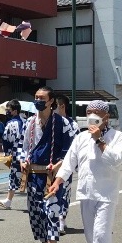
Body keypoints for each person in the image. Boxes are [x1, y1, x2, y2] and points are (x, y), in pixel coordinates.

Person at [48, 100, 122, 243]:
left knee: (101, 233)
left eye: (96, 113)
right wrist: (58, 181)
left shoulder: (118, 137)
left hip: (106, 194)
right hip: (86, 192)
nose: (91, 115)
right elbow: (69, 162)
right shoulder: (81, 137)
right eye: (88, 112)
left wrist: (100, 140)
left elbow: (116, 161)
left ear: (106, 117)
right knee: (91, 235)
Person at [20, 87, 71, 243]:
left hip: (52, 176)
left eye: (42, 98)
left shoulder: (62, 123)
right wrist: (23, 160)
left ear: (51, 102)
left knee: (52, 211)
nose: (38, 100)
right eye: (36, 97)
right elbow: (24, 146)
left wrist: (59, 163)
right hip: (34, 174)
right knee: (36, 213)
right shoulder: (30, 123)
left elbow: (69, 151)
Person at [54, 95, 79, 234]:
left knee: (64, 192)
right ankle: (53, 219)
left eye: (55, 105)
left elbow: (75, 147)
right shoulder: (50, 122)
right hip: (50, 164)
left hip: (65, 164)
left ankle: (61, 220)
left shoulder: (72, 124)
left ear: (62, 106)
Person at [0, 100, 25, 210]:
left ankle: (8, 200)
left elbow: (6, 139)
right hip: (27, 153)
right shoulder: (26, 121)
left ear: (15, 111)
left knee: (14, 175)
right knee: (28, 176)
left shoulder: (11, 123)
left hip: (17, 153)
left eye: (8, 110)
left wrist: (7, 152)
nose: (7, 112)